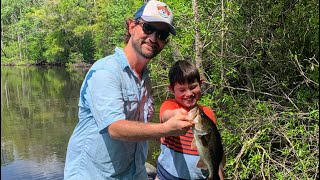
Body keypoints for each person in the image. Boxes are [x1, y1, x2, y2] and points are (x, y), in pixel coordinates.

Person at [64, 1, 194, 179]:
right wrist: (166, 129)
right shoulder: (106, 72)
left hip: (134, 173)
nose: (154, 38)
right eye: (148, 28)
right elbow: (115, 128)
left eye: (162, 34)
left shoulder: (145, 78)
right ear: (132, 26)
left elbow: (140, 126)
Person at [156, 60, 224, 180]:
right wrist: (176, 114)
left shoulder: (207, 113)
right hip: (166, 176)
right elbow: (165, 116)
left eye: (193, 87)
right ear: (171, 89)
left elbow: (215, 151)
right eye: (182, 90)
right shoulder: (169, 105)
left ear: (201, 84)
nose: (189, 93)